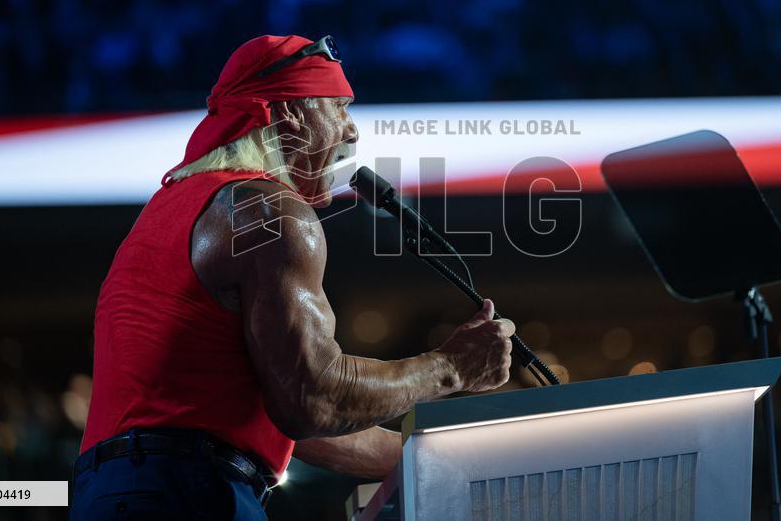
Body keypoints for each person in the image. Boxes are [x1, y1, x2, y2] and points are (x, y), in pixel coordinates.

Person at [69, 34, 515, 520]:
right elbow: (312, 398)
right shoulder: (269, 210)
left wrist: (443, 458)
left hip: (113, 492)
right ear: (290, 115)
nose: (351, 131)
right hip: (190, 490)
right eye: (339, 107)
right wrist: (451, 368)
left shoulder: (173, 208)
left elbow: (296, 420)